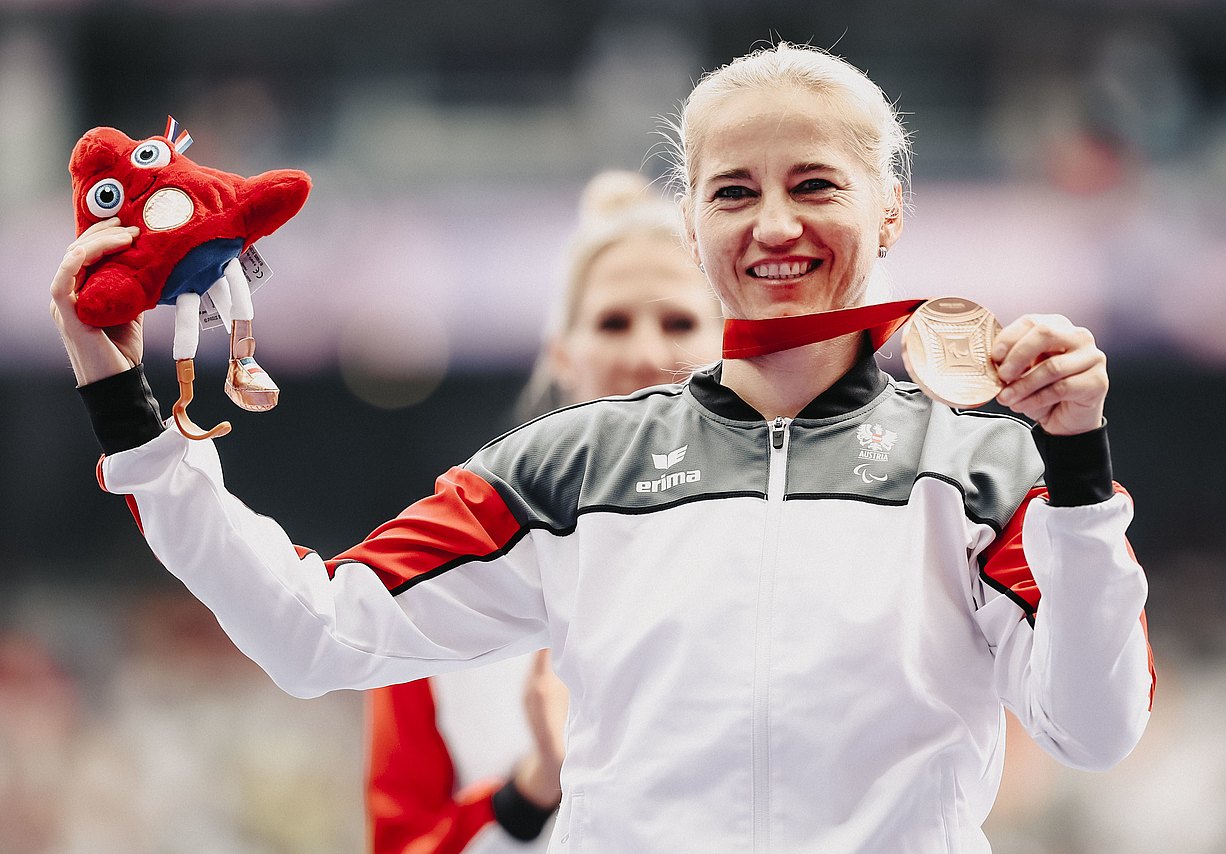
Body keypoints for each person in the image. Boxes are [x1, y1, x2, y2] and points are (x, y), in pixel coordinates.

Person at [51, 43, 1155, 853]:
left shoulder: (983, 470)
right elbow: (313, 632)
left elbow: (1094, 730)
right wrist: (131, 417)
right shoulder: (568, 469)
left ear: (889, 212)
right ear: (692, 227)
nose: (773, 224)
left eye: (813, 183)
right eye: (733, 191)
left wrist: (1076, 479)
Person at [364, 171, 723, 854]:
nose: (646, 354)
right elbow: (400, 840)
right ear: (564, 352)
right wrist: (534, 786)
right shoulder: (447, 578)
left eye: (679, 321)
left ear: (729, 347)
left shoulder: (797, 548)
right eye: (613, 322)